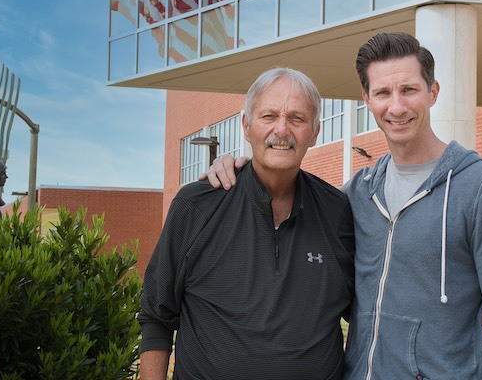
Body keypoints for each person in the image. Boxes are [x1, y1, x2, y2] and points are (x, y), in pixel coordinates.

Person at [205, 32, 482, 379]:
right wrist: (236, 171)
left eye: (409, 90)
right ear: (367, 99)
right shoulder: (356, 195)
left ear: (432, 92)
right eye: (382, 93)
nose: (396, 107)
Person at [139, 68, 355, 380]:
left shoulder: (338, 212)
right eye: (269, 116)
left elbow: (365, 316)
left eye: (297, 118)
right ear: (246, 125)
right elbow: (156, 317)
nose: (281, 129)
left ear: (315, 131)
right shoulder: (196, 206)